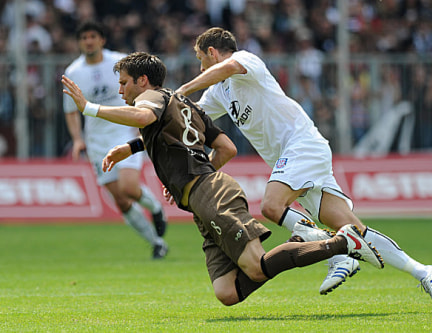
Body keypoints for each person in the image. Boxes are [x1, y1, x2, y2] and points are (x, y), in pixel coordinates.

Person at [61, 51, 384, 306]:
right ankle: (300, 244)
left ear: (143, 81)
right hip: (203, 196)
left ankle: (341, 242)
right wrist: (139, 151)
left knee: (256, 267)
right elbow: (225, 147)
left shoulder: (150, 98)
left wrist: (90, 108)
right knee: (227, 292)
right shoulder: (183, 103)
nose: (120, 90)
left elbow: (145, 116)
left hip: (209, 193)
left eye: (124, 83)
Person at [175, 27, 432, 311]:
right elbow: (189, 116)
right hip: (295, 160)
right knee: (352, 227)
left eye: (200, 58)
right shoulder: (219, 92)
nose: (199, 64)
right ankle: (425, 271)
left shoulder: (245, 60)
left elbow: (226, 68)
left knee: (271, 206)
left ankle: (339, 254)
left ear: (212, 52)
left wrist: (181, 90)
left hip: (301, 146)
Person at [62, 21, 168, 259]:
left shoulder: (120, 62)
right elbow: (70, 110)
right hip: (97, 141)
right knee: (120, 200)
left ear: (102, 40)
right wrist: (78, 139)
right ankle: (157, 242)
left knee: (129, 187)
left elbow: (143, 89)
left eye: (93, 36)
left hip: (125, 132)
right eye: (84, 37)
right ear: (80, 42)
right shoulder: (73, 71)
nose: (88, 41)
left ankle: (156, 208)